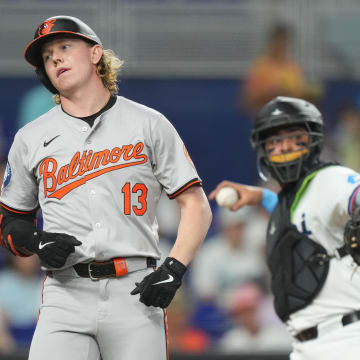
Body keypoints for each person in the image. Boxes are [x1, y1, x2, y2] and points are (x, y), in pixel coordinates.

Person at [0, 15, 212, 360]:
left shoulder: (148, 123)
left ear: (96, 53)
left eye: (64, 47)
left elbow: (196, 205)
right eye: (47, 55)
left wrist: (174, 268)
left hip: (135, 290)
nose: (54, 58)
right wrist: (36, 240)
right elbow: (10, 223)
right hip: (65, 292)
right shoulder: (30, 138)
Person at [209, 96, 360, 360]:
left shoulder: (330, 179)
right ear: (263, 148)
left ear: (312, 139)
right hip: (304, 346)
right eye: (275, 141)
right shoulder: (292, 199)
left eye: (294, 137)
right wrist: (260, 196)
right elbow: (298, 213)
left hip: (346, 339)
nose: (285, 146)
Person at [242, 23, 308, 116]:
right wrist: (271, 94)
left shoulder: (293, 67)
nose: (282, 46)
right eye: (279, 41)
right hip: (267, 122)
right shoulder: (260, 68)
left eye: (285, 42)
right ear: (271, 42)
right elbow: (247, 101)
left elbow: (301, 96)